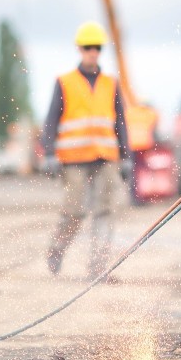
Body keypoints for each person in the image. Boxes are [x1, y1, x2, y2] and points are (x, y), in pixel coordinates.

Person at [41, 21, 133, 281]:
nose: (92, 51)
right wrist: (49, 153)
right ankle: (56, 251)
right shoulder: (64, 82)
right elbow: (51, 121)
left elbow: (120, 122)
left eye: (97, 47)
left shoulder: (110, 83)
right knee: (74, 211)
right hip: (73, 159)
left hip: (106, 157)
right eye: (88, 47)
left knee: (104, 211)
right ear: (80, 50)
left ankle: (98, 268)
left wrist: (126, 157)